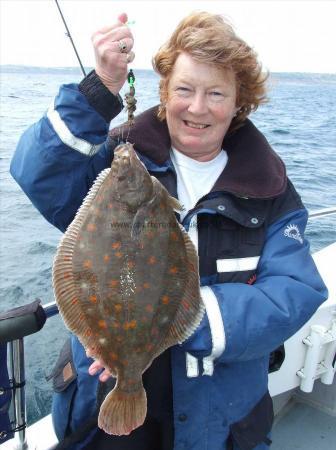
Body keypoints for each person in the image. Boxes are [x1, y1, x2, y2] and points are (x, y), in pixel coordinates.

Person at [10, 11, 327, 450]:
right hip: (103, 401)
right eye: (184, 89)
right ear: (163, 92)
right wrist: (99, 89)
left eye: (216, 93)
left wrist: (177, 321)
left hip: (220, 417)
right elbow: (38, 172)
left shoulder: (270, 190)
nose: (197, 107)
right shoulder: (116, 161)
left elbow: (294, 290)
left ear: (240, 102)